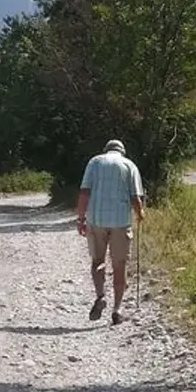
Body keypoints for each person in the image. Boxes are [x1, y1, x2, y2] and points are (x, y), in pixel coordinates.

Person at [76, 139, 144, 325]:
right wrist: (140, 214)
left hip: (96, 220)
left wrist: (81, 219)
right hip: (121, 222)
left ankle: (100, 296)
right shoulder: (129, 165)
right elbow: (135, 198)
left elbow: (84, 192)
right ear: (122, 151)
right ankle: (117, 309)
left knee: (97, 261)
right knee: (119, 265)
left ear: (106, 150)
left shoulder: (95, 162)